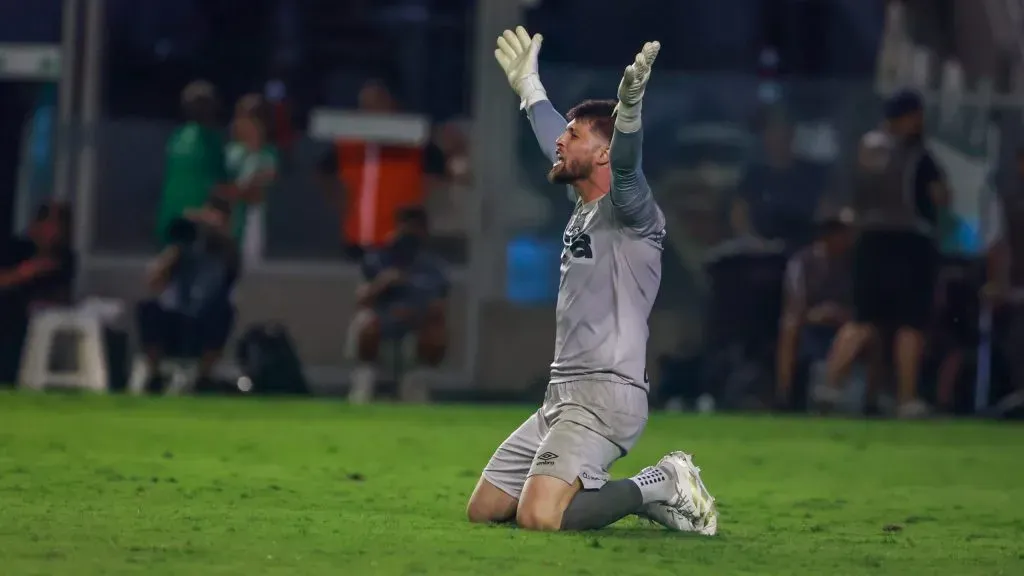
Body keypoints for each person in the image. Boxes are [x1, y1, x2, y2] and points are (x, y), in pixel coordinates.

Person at [465, 27, 717, 534]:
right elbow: (559, 144)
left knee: (539, 518)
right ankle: (600, 489)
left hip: (608, 396)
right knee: (487, 508)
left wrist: (629, 118)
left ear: (603, 152)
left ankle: (663, 482)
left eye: (574, 135)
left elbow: (625, 168)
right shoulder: (584, 206)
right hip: (562, 394)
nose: (560, 140)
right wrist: (530, 89)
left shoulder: (634, 214)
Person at [818, 89, 941, 418]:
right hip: (908, 242)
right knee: (909, 324)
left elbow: (848, 196)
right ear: (910, 116)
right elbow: (938, 196)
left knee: (862, 319)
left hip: (868, 241)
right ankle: (907, 398)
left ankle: (828, 387)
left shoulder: (865, 148)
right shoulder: (917, 154)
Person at [136, 196, 240, 392]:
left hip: (205, 317)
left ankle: (204, 377)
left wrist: (219, 235)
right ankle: (155, 375)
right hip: (176, 317)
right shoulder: (184, 246)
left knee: (225, 312)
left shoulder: (226, 251)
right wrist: (174, 249)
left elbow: (233, 270)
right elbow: (153, 281)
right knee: (148, 308)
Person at [347, 206, 449, 404]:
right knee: (365, 322)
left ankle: (415, 385)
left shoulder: (432, 266)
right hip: (382, 316)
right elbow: (361, 300)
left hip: (416, 320)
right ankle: (364, 385)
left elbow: (439, 305)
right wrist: (383, 283)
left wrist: (415, 312)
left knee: (436, 328)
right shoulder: (377, 259)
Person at [775, 209, 856, 411]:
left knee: (863, 330)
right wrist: (815, 314)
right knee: (789, 326)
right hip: (809, 325)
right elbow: (795, 304)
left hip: (846, 326)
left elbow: (863, 305)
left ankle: (837, 392)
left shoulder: (854, 264)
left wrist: (841, 314)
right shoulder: (802, 262)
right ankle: (783, 396)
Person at [0, 201, 75, 383]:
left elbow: (64, 295)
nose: (55, 232)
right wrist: (27, 271)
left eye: (61, 227)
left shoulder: (65, 258)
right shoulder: (16, 248)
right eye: (51, 225)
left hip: (41, 319)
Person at [155, 81, 229, 247]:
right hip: (200, 218)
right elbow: (220, 181)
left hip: (173, 214)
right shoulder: (212, 140)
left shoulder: (177, 136)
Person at [224, 94, 278, 266]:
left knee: (250, 261)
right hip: (227, 215)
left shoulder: (268, 154)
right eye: (243, 117)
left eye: (255, 119)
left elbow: (263, 183)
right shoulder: (230, 151)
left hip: (252, 215)